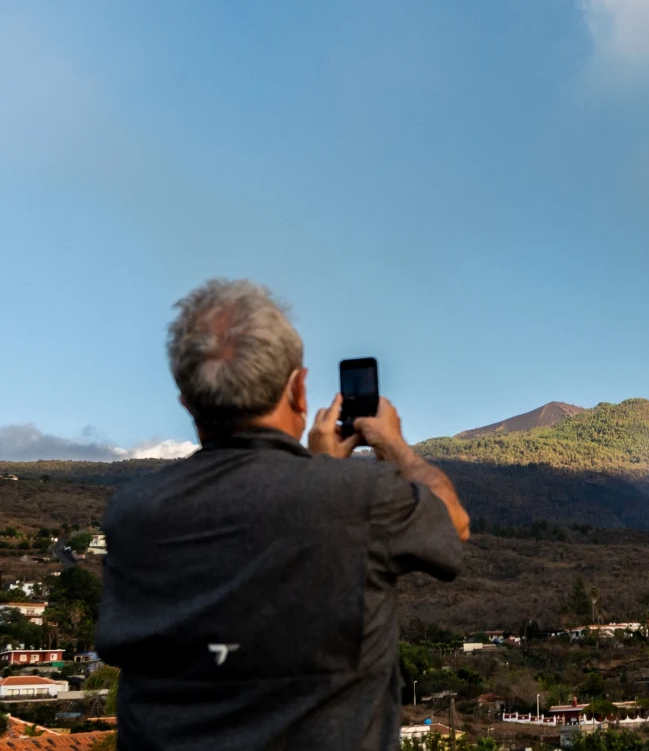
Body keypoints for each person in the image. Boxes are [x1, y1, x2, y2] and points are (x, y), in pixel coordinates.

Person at [97, 279, 470, 750]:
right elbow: (453, 522)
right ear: (298, 389)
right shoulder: (362, 498)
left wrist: (320, 472)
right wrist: (393, 445)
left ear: (188, 402)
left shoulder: (132, 512)